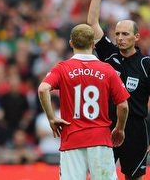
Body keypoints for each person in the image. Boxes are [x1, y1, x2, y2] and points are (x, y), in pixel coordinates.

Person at [87, 0, 150, 180]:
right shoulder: (108, 53)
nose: (120, 38)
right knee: (101, 176)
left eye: (125, 34)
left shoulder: (146, 64)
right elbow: (92, 21)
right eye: (118, 34)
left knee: (134, 177)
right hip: (106, 125)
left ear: (136, 37)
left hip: (135, 128)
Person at [37, 23, 130, 180]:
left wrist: (51, 118)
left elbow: (42, 89)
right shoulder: (107, 69)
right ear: (93, 44)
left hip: (72, 139)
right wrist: (120, 128)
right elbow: (123, 105)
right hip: (100, 139)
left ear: (71, 43)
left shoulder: (62, 68)